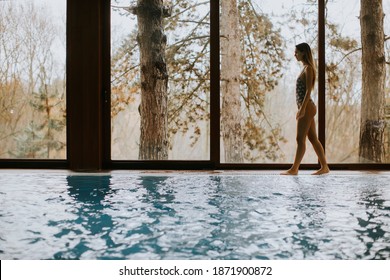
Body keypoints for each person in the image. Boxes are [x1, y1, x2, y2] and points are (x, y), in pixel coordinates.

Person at [281, 43, 330, 175]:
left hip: (307, 106)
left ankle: (294, 169)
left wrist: (302, 109)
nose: (294, 54)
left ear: (303, 53)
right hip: (307, 107)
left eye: (296, 52)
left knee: (299, 139)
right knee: (313, 138)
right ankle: (325, 167)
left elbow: (309, 90)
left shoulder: (308, 69)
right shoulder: (304, 68)